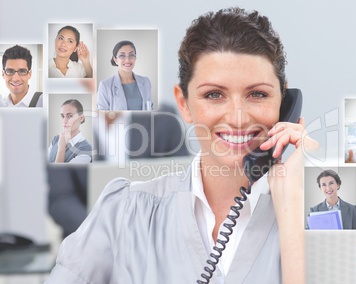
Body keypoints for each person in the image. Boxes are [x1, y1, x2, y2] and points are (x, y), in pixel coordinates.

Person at [45, 7, 318, 283]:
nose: (238, 118)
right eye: (214, 94)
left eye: (258, 94)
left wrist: (293, 207)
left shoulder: (322, 216)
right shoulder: (124, 212)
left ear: (284, 103)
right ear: (184, 104)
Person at [97, 40, 152, 110]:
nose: (127, 60)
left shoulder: (146, 82)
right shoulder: (105, 85)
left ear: (135, 58)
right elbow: (102, 116)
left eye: (131, 55)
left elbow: (151, 109)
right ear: (115, 60)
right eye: (122, 55)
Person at [48, 99, 92, 163]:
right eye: (62, 116)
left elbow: (59, 173)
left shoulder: (86, 150)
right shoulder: (55, 139)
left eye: (70, 116)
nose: (64, 121)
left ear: (81, 118)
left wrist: (61, 148)